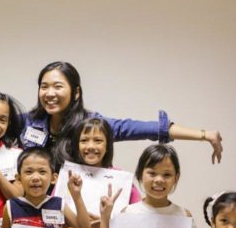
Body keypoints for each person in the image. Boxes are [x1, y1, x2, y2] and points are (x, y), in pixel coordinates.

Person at [20, 61, 223, 168]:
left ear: (76, 92)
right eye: (44, 87)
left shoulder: (92, 124)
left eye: (58, 86)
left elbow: (148, 129)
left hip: (76, 213)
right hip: (33, 209)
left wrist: (204, 135)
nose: (49, 93)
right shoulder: (28, 122)